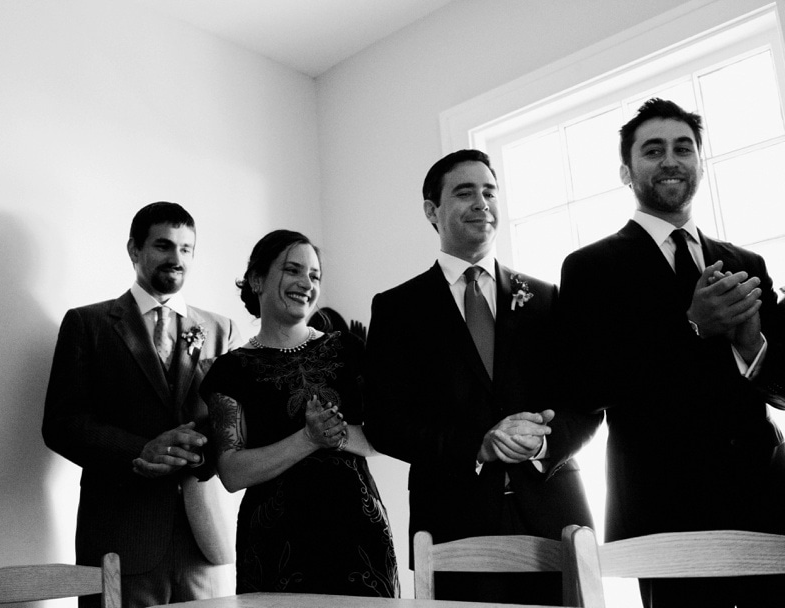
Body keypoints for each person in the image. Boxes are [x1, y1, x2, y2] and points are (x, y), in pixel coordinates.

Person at [559, 98, 785, 607]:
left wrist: (753, 344)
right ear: (626, 170)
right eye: (653, 150)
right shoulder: (590, 267)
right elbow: (587, 385)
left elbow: (784, 389)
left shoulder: (747, 262)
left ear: (700, 164)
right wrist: (691, 326)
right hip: (663, 508)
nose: (670, 160)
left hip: (766, 498)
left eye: (683, 148)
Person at [363, 150, 599, 605]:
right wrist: (479, 443)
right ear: (432, 210)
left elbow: (588, 406)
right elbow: (384, 421)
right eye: (465, 192)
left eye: (490, 191)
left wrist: (543, 442)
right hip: (452, 523)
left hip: (555, 516)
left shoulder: (548, 299)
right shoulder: (397, 309)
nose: (482, 202)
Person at [41, 202, 237, 606]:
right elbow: (61, 424)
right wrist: (140, 450)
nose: (176, 259)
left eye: (186, 249)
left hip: (201, 541)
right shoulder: (87, 324)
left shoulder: (220, 330)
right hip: (119, 536)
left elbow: (231, 428)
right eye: (164, 246)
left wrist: (199, 454)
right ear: (134, 250)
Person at [201, 229, 398, 597]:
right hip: (275, 546)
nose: (306, 283)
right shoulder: (230, 370)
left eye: (314, 275)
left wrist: (335, 434)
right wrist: (307, 438)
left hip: (359, 540)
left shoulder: (349, 351)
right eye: (293, 270)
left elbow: (385, 438)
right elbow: (230, 470)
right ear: (257, 279)